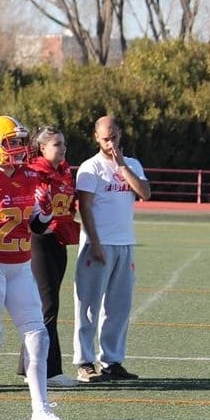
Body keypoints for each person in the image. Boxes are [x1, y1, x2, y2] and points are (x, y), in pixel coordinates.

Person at [0, 115, 72, 420]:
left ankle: (41, 410)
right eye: (11, 143)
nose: (19, 149)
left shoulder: (27, 175)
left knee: (38, 337)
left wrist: (46, 210)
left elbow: (36, 225)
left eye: (19, 142)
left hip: (21, 266)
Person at [73, 116, 151, 381]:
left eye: (114, 137)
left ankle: (112, 361)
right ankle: (85, 363)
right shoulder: (90, 168)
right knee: (89, 307)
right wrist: (95, 244)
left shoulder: (132, 164)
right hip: (98, 245)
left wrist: (121, 166)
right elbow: (84, 208)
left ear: (120, 134)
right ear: (96, 137)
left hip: (124, 244)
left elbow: (145, 192)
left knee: (119, 307)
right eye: (105, 138)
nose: (110, 143)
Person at [16, 126, 80, 387]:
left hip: (58, 239)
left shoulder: (63, 170)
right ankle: (48, 370)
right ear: (42, 148)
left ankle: (28, 366)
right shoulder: (35, 172)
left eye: (64, 143)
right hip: (41, 238)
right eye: (57, 144)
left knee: (47, 305)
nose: (63, 148)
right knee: (47, 305)